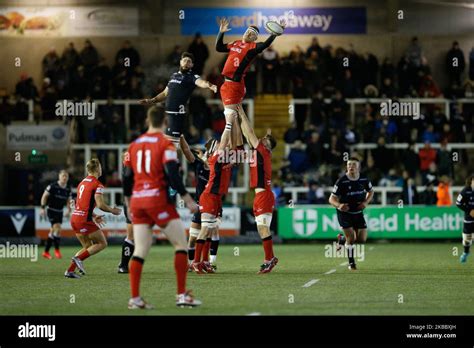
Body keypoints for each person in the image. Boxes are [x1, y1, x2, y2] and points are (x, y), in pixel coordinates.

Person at [123, 106, 201, 309]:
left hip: (138, 202)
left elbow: (126, 177)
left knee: (140, 249)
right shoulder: (165, 144)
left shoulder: (134, 145)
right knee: (180, 245)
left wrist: (128, 202)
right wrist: (187, 198)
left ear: (148, 121)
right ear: (165, 121)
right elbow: (172, 173)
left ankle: (135, 298)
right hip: (157, 200)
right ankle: (182, 295)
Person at [215, 18, 285, 147]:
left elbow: (265, 45)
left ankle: (224, 151)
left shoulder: (252, 47)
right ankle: (238, 148)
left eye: (252, 34)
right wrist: (221, 32)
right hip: (233, 84)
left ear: (254, 39)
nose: (248, 34)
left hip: (233, 86)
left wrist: (275, 32)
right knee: (234, 120)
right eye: (248, 31)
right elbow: (218, 47)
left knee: (229, 121)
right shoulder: (235, 43)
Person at [190, 111, 236, 274]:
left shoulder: (222, 158)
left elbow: (228, 143)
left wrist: (234, 124)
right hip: (209, 196)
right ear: (212, 150)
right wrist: (229, 123)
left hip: (216, 197)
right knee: (205, 230)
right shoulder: (215, 158)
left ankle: (204, 262)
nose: (220, 145)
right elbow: (224, 142)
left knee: (210, 230)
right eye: (216, 145)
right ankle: (196, 262)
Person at [138, 52, 217, 148]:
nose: (186, 62)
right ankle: (192, 159)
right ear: (180, 62)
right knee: (171, 145)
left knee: (171, 147)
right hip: (167, 115)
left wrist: (210, 85)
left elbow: (201, 82)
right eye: (184, 60)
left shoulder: (192, 76)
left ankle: (172, 162)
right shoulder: (174, 76)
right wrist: (151, 100)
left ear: (192, 65)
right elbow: (164, 93)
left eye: (189, 61)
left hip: (177, 115)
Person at [239, 105, 279, 273]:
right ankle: (270, 257)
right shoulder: (260, 151)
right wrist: (238, 116)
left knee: (263, 228)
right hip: (261, 195)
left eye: (265, 140)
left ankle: (269, 259)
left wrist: (239, 109)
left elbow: (250, 133)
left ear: (268, 147)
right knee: (261, 228)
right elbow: (247, 133)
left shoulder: (263, 151)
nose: (262, 140)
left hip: (264, 195)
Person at [65, 159, 122, 278]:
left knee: (87, 247)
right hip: (84, 220)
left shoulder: (82, 183)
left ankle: (70, 270)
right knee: (102, 243)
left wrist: (94, 216)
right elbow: (100, 204)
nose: (101, 169)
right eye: (100, 166)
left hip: (75, 218)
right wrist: (113, 210)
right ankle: (78, 259)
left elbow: (81, 204)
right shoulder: (97, 184)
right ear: (97, 169)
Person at [180, 135, 221, 271]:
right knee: (192, 237)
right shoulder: (198, 165)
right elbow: (186, 151)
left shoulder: (217, 166)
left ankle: (210, 262)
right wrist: (181, 137)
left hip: (213, 202)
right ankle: (191, 263)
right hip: (200, 204)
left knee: (211, 232)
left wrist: (204, 157)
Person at [329, 158, 374, 270]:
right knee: (351, 239)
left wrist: (365, 202)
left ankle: (342, 239)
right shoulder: (341, 181)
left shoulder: (364, 179)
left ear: (358, 166)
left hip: (358, 212)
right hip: (345, 213)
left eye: (354, 164)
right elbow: (331, 199)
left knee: (362, 240)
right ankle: (351, 263)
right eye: (349, 164)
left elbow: (371, 191)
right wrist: (339, 205)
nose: (351, 166)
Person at [40, 170, 72, 260]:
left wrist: (69, 211)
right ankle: (57, 251)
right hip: (51, 210)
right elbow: (44, 196)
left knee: (53, 231)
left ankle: (46, 252)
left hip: (60, 211)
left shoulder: (68, 188)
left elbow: (69, 201)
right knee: (57, 228)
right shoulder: (52, 186)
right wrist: (42, 208)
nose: (64, 178)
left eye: (66, 176)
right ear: (59, 176)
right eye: (63, 176)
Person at [118, 152, 134, 274]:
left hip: (140, 200)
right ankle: (123, 265)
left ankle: (124, 262)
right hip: (133, 202)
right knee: (132, 236)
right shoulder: (134, 156)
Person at [455, 174, 474, 263]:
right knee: (467, 239)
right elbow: (458, 203)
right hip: (469, 220)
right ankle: (466, 252)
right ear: (471, 181)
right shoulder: (466, 191)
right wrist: (469, 210)